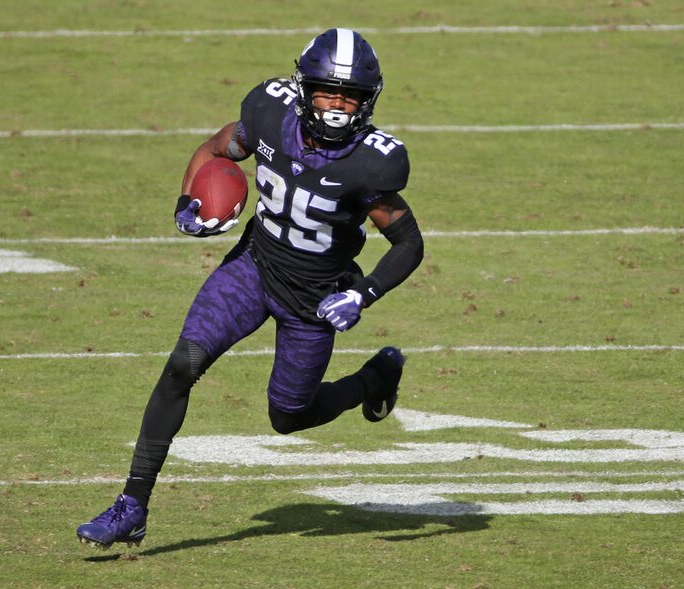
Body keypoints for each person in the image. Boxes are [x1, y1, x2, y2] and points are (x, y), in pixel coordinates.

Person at [76, 27, 424, 548]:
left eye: (349, 96)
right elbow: (217, 147)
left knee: (288, 417)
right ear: (304, 88)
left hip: (314, 299)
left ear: (367, 101)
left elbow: (408, 243)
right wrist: (187, 203)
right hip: (254, 266)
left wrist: (363, 292)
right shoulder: (268, 112)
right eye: (328, 91)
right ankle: (132, 505)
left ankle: (375, 378)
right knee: (180, 367)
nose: (337, 106)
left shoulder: (371, 162)